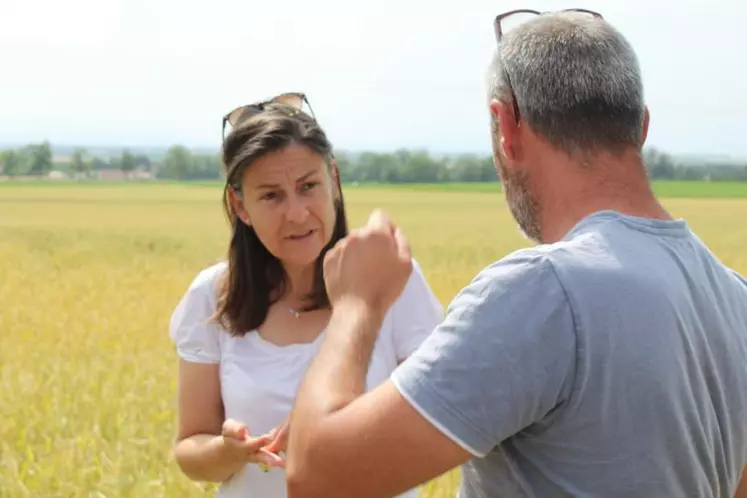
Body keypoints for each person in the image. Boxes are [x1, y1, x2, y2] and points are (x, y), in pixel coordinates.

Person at [283, 10, 747, 498]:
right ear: (641, 127)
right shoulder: (735, 298)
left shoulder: (543, 292)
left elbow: (317, 478)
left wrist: (357, 302)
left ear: (505, 124)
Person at [167, 92, 443, 498]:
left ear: (334, 180)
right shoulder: (212, 296)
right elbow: (190, 448)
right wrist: (232, 451)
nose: (296, 213)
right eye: (271, 195)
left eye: (308, 186)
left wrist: (334, 432)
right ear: (239, 206)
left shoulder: (388, 275)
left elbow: (439, 415)